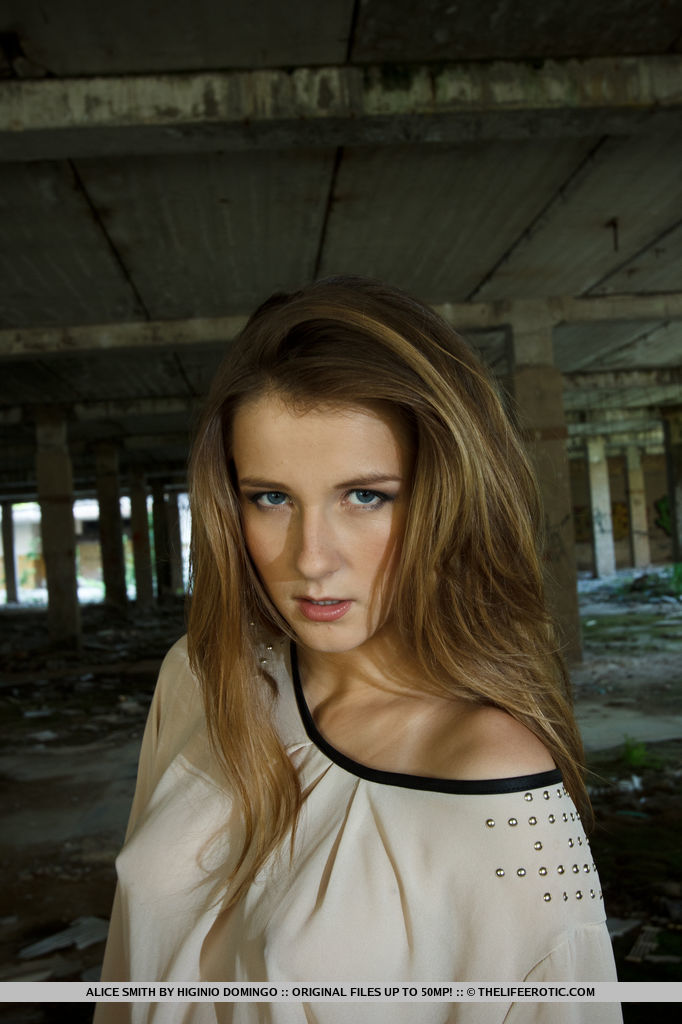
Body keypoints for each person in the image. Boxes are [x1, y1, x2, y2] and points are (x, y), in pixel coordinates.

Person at [96, 277, 621, 1023]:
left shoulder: (496, 781)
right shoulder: (200, 674)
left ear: (448, 496)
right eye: (272, 497)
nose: (312, 559)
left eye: (365, 495)